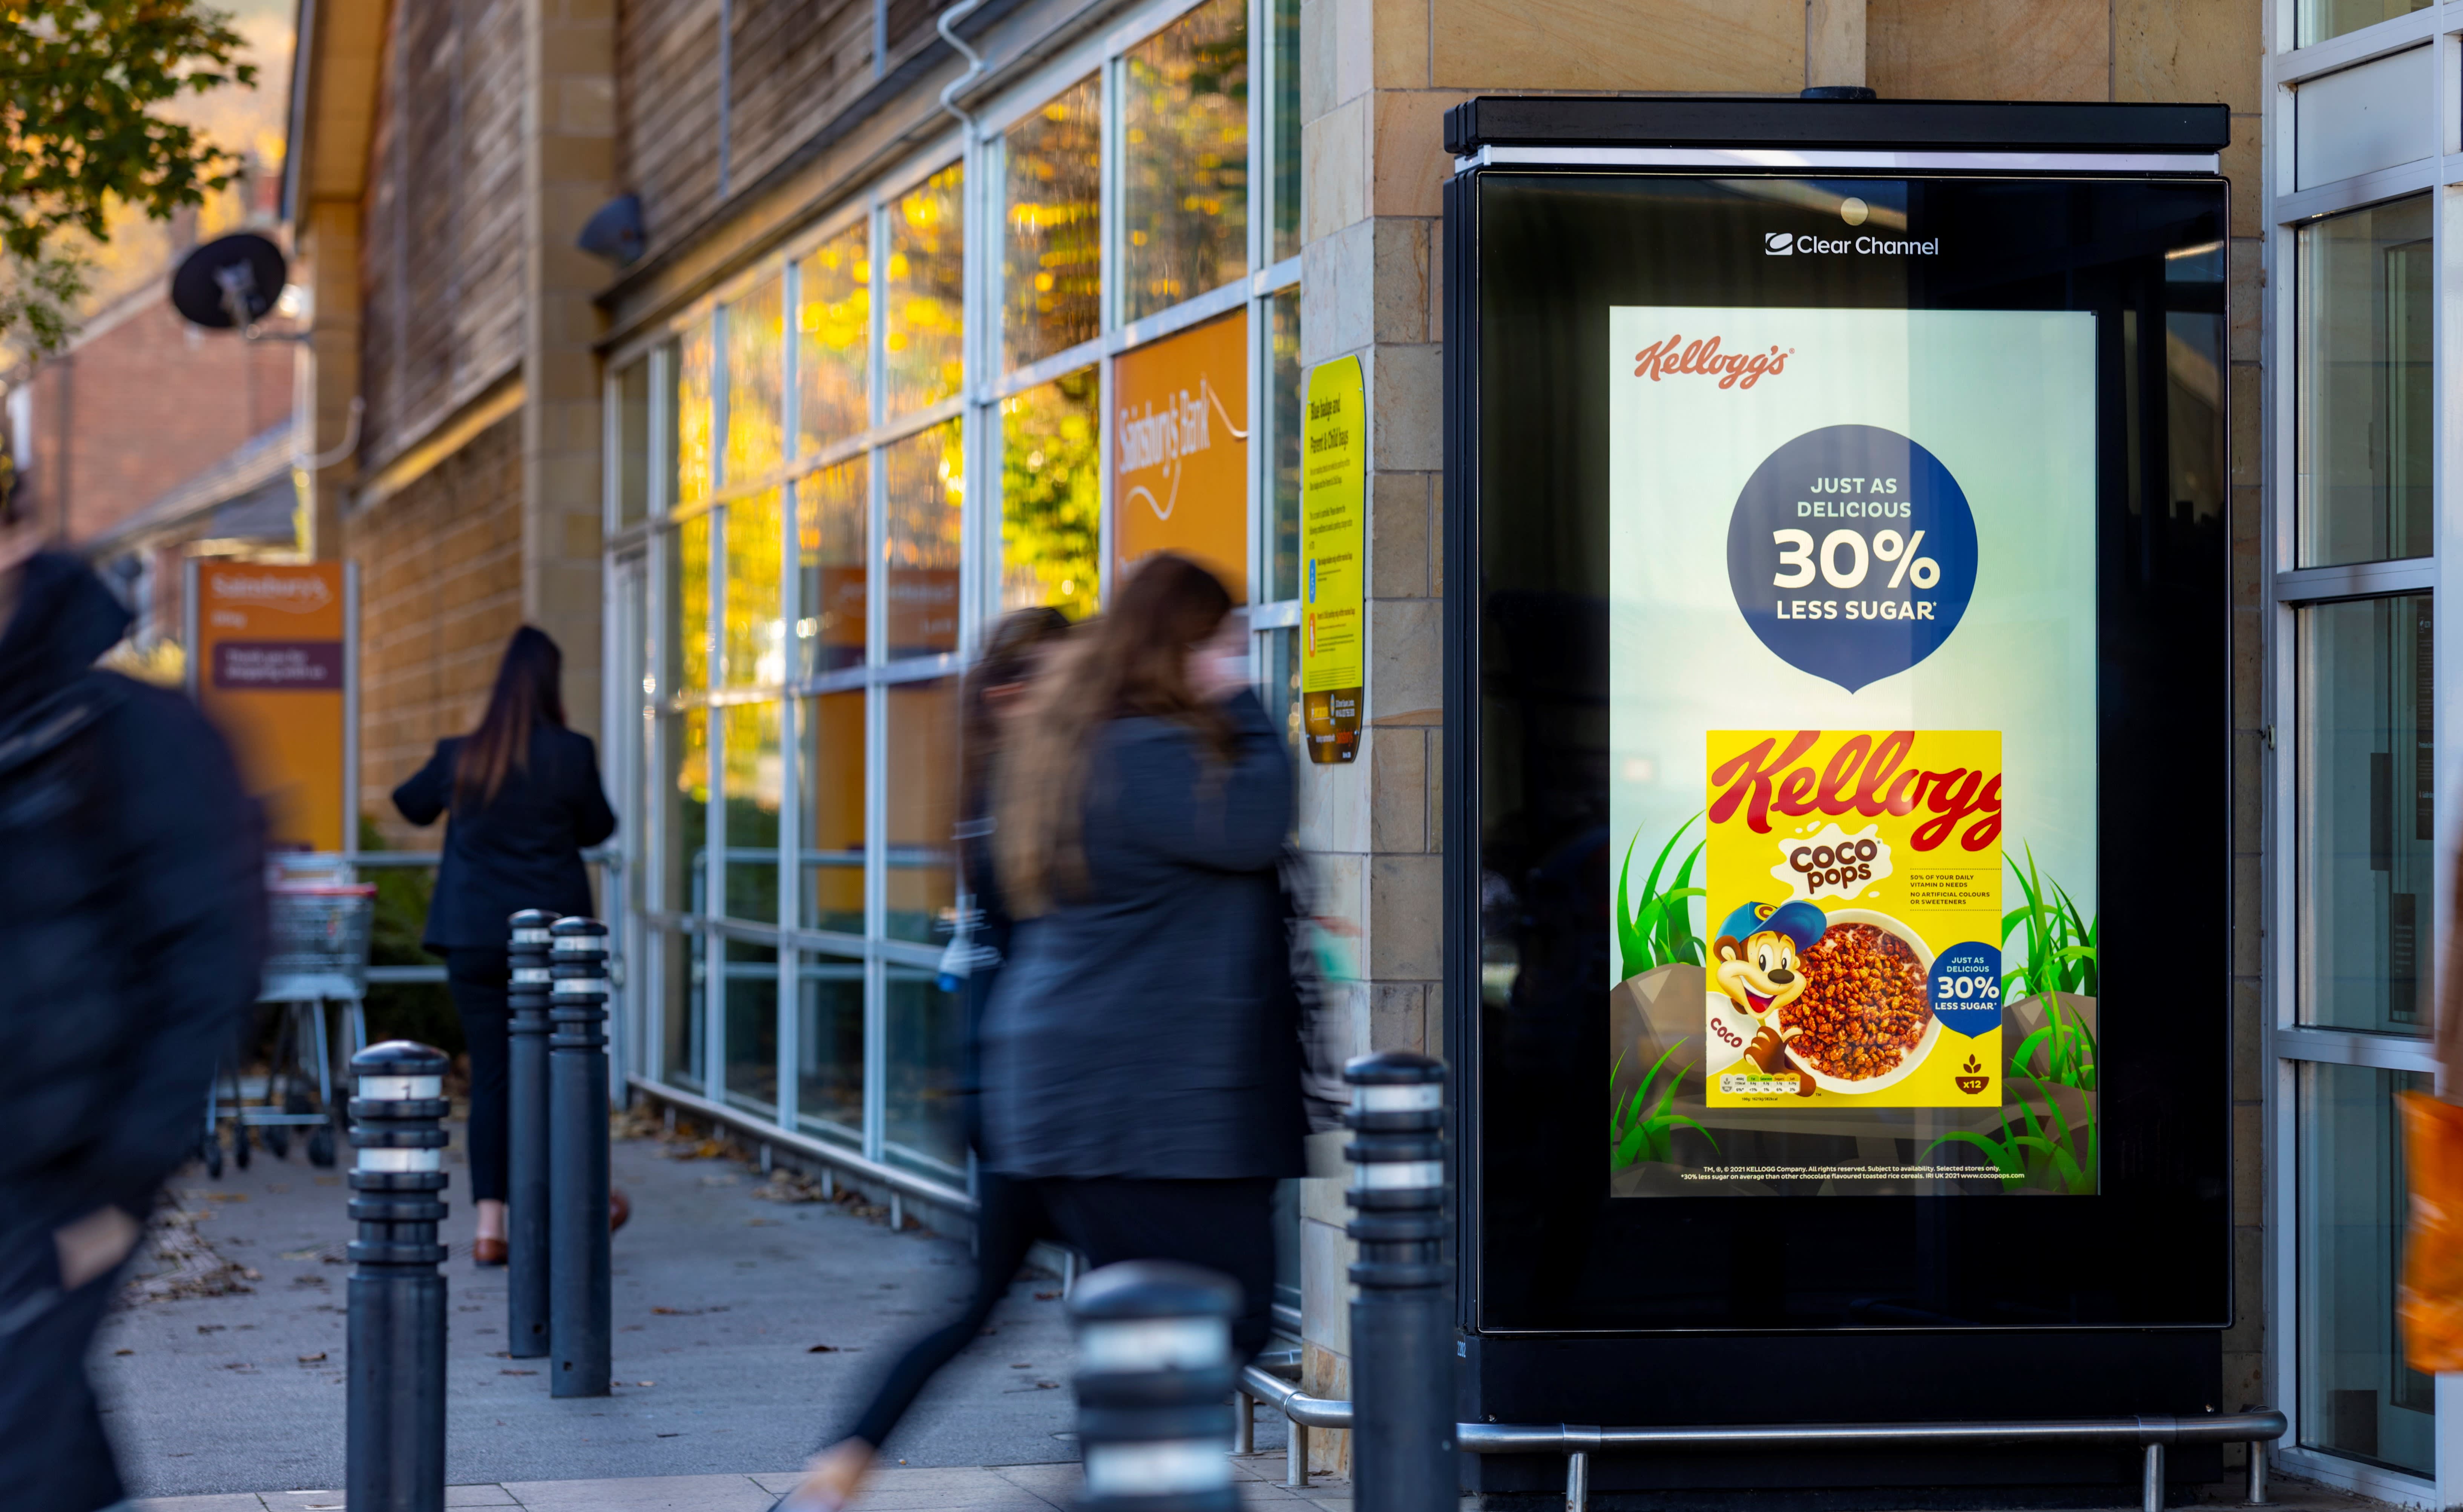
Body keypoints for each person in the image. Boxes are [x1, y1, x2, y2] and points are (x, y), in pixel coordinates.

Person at [780, 605, 1072, 1512]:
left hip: (1011, 1085)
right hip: (1039, 1090)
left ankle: (837, 1470)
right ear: (1012, 694)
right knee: (1153, 1292)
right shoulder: (1028, 800)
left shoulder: (990, 793)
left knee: (984, 1301)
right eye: (1061, 682)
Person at [983, 552, 1303, 1357]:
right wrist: (1246, 705)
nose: (1233, 661)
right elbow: (1253, 823)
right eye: (1222, 644)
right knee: (1218, 1326)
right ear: (1179, 645)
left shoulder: (1107, 741)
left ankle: (1122, 1479)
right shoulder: (1141, 750)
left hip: (1115, 1100)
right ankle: (1121, 1481)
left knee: (1159, 1336)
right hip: (1137, 1108)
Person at [0, 539, 265, 1512]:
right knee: (45, 1447)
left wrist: (117, 1186)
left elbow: (210, 959)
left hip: (58, 1177)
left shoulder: (135, 736)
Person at [393, 625, 617, 1265]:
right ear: (553, 685)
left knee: (492, 1078)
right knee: (563, 1070)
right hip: (553, 942)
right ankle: (575, 1207)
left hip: (475, 938)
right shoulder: (571, 753)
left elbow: (408, 806)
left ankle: (492, 1225)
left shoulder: (462, 754)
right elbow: (600, 827)